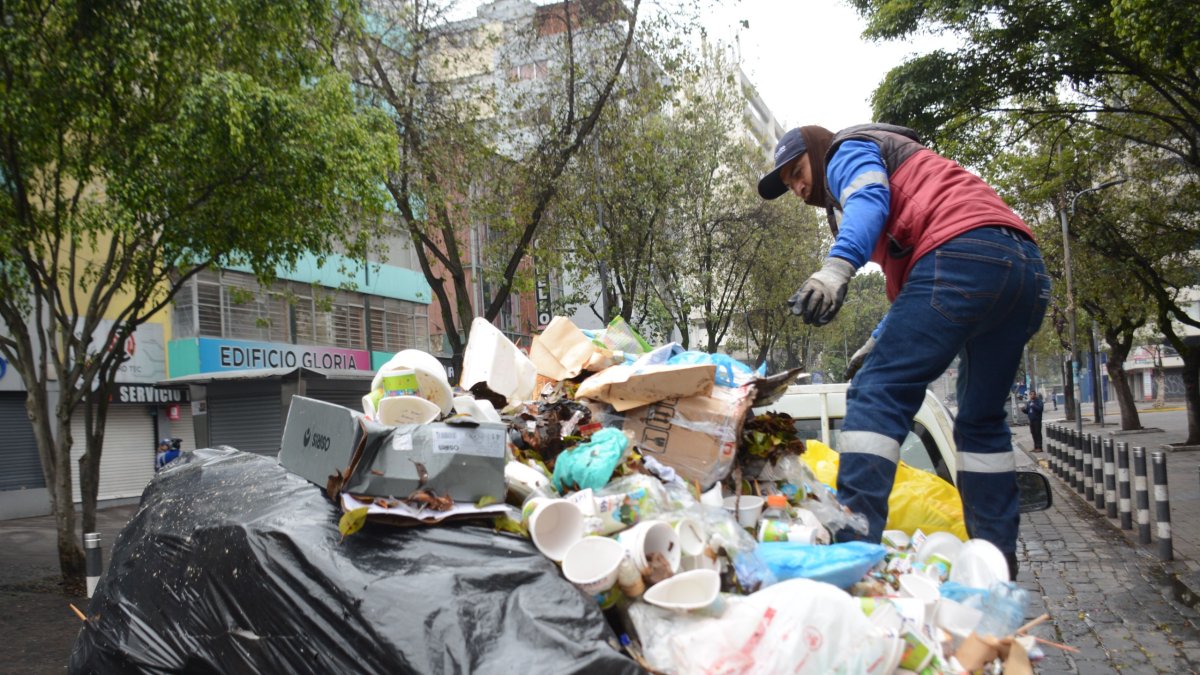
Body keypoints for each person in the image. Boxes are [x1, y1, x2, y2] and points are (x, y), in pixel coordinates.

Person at [758, 123, 1051, 579]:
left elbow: (869, 201)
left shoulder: (846, 151)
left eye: (798, 172)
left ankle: (852, 555)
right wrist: (879, 338)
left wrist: (836, 269)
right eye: (791, 183)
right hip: (1024, 270)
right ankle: (995, 569)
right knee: (981, 422)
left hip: (962, 253)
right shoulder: (919, 185)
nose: (798, 188)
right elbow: (917, 288)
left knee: (876, 393)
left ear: (817, 152)